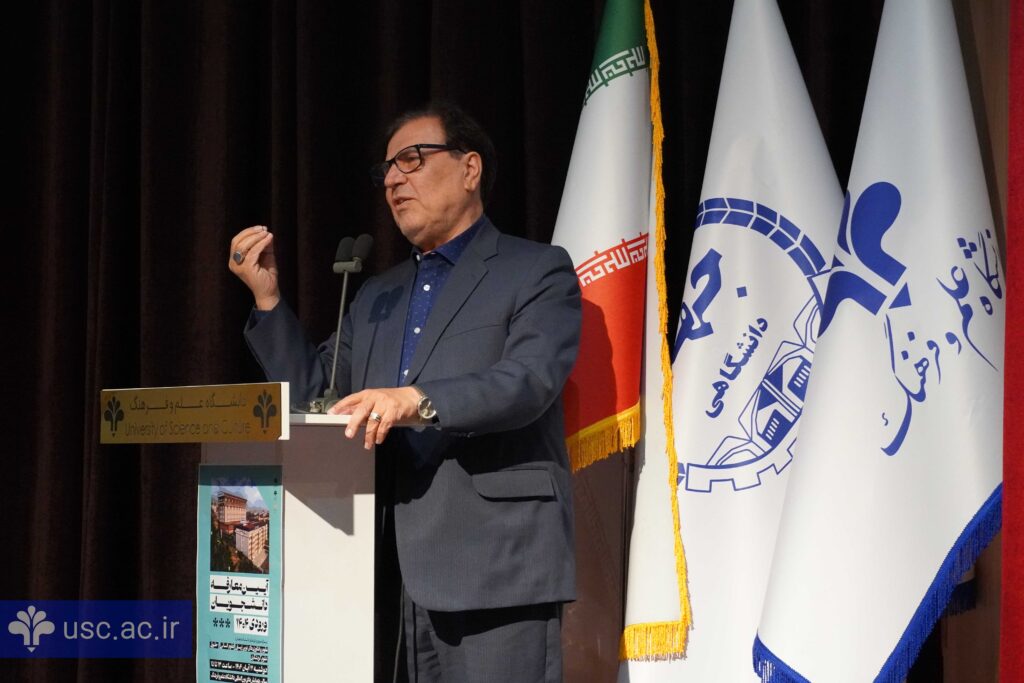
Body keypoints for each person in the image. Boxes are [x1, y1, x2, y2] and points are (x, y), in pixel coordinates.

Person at [228, 102, 581, 682]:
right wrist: (268, 299)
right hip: (384, 572)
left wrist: (414, 400)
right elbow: (317, 396)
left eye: (412, 160)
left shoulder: (536, 269)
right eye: (387, 169)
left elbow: (529, 380)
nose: (393, 180)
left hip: (495, 564)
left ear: (469, 169)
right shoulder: (377, 296)